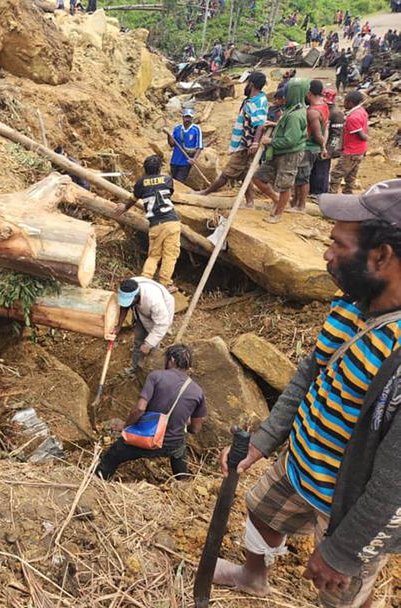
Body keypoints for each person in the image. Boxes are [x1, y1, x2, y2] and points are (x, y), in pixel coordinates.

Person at [212, 179, 401, 608]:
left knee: (339, 592)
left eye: (338, 243)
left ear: (382, 256)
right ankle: (252, 577)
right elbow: (307, 377)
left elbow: (395, 481)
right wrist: (263, 441)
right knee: (261, 509)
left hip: (347, 504)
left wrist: (344, 551)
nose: (326, 253)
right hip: (301, 464)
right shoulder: (351, 304)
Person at [96, 344, 206, 481]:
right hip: (172, 444)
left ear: (171, 360)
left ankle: (98, 481)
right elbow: (195, 428)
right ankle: (183, 482)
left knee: (112, 455)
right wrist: (182, 424)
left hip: (145, 439)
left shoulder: (156, 377)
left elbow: (140, 409)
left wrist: (126, 426)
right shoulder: (197, 391)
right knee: (180, 450)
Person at [198, 72, 267, 200]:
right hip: (245, 143)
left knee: (227, 173)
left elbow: (260, 124)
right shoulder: (253, 100)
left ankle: (205, 192)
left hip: (245, 146)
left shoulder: (257, 102)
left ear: (251, 84)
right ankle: (250, 201)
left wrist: (255, 143)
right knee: (245, 174)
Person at [116, 156, 181, 292]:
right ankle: (165, 284)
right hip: (171, 221)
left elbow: (133, 199)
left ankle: (145, 279)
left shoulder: (140, 183)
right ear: (159, 168)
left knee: (153, 255)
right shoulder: (167, 180)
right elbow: (169, 193)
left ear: (144, 169)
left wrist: (124, 207)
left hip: (155, 224)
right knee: (170, 254)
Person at [253, 78, 308, 224]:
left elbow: (291, 140)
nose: (284, 97)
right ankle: (276, 199)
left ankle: (278, 214)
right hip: (278, 152)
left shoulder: (295, 115)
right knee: (258, 177)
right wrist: (276, 124)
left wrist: (271, 141)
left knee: (285, 184)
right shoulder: (293, 109)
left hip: (289, 154)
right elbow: (288, 129)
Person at [108, 277, 175, 375]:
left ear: (137, 296)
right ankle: (135, 368)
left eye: (130, 301)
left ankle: (150, 373)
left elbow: (161, 324)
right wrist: (119, 325)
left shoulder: (154, 301)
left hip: (160, 317)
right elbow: (124, 306)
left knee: (152, 347)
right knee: (138, 341)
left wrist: (149, 343)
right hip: (142, 312)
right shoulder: (129, 286)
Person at [291, 79, 328, 213]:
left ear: (309, 93)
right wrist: (323, 146)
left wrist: (322, 145)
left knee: (302, 177)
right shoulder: (324, 106)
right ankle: (295, 201)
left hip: (308, 147)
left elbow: (317, 134)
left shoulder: (312, 112)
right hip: (313, 148)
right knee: (300, 176)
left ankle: (301, 206)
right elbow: (326, 128)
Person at [330, 91, 368, 194]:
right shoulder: (361, 111)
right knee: (351, 176)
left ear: (351, 103)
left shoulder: (353, 117)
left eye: (345, 101)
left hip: (351, 151)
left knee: (336, 174)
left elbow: (361, 135)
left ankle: (331, 195)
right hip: (360, 150)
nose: (343, 103)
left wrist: (366, 137)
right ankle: (348, 194)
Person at [310, 88, 343, 196]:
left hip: (326, 147)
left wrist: (329, 151)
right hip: (317, 145)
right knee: (314, 171)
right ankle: (313, 191)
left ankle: (320, 193)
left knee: (322, 172)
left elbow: (336, 135)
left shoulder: (336, 113)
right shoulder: (322, 109)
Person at [167, 108, 204, 185]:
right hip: (174, 161)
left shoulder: (196, 129)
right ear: (183, 117)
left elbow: (199, 146)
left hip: (186, 162)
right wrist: (168, 135)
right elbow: (172, 144)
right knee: (173, 182)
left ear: (192, 118)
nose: (188, 119)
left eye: (189, 117)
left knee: (179, 182)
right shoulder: (177, 128)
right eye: (186, 117)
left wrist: (194, 159)